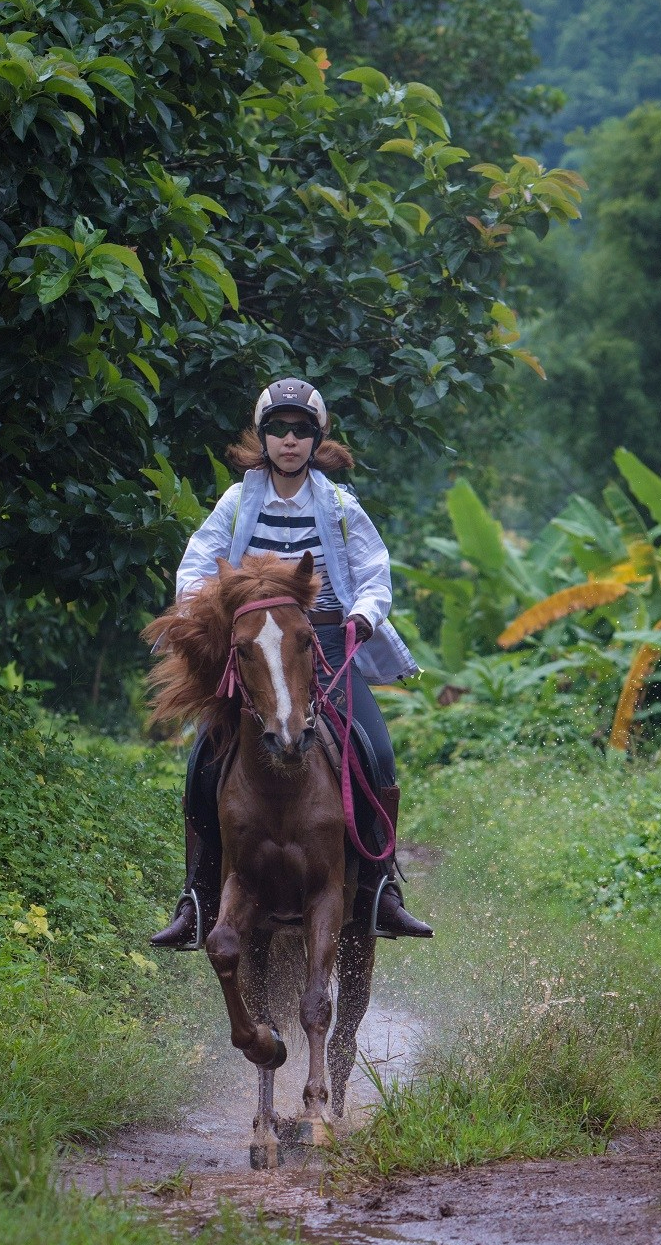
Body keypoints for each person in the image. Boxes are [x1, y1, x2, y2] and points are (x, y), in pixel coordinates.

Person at [150, 377, 433, 949]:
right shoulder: (236, 501)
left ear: (315, 440)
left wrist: (361, 617)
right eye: (278, 429)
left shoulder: (339, 504)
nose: (289, 440)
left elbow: (375, 574)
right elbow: (196, 563)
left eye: (301, 431)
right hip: (255, 650)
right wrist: (204, 617)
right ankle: (198, 894)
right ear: (263, 437)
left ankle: (382, 889)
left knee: (374, 748)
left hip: (323, 645)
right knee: (204, 758)